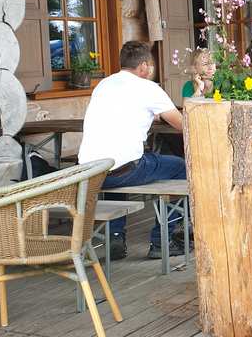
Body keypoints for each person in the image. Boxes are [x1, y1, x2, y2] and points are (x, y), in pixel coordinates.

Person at [78, 41, 187, 260]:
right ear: (144, 66)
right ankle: (162, 240)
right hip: (123, 171)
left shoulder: (103, 85)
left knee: (114, 164)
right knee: (180, 167)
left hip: (89, 172)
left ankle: (115, 237)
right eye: (151, 65)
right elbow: (182, 124)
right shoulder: (149, 88)